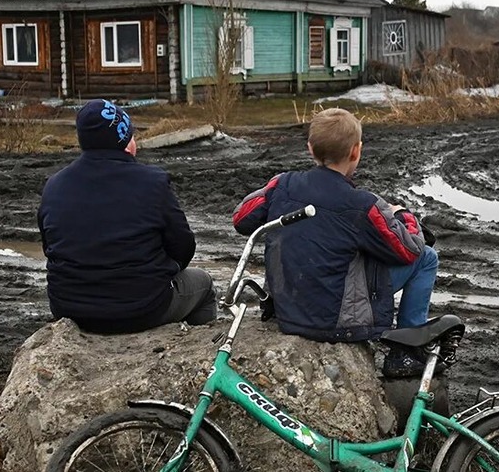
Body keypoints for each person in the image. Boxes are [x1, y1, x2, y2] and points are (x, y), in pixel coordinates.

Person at [232, 108, 438, 377]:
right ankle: (406, 352)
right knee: (427, 258)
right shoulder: (363, 205)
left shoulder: (282, 185)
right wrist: (403, 215)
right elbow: (409, 250)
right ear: (356, 151)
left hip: (285, 310)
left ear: (310, 148)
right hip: (338, 323)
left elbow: (241, 217)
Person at [38, 99, 216, 334]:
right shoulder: (152, 182)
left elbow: (50, 246)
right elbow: (183, 247)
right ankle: (200, 351)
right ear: (123, 141)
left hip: (69, 308)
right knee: (203, 284)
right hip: (142, 309)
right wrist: (163, 270)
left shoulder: (54, 185)